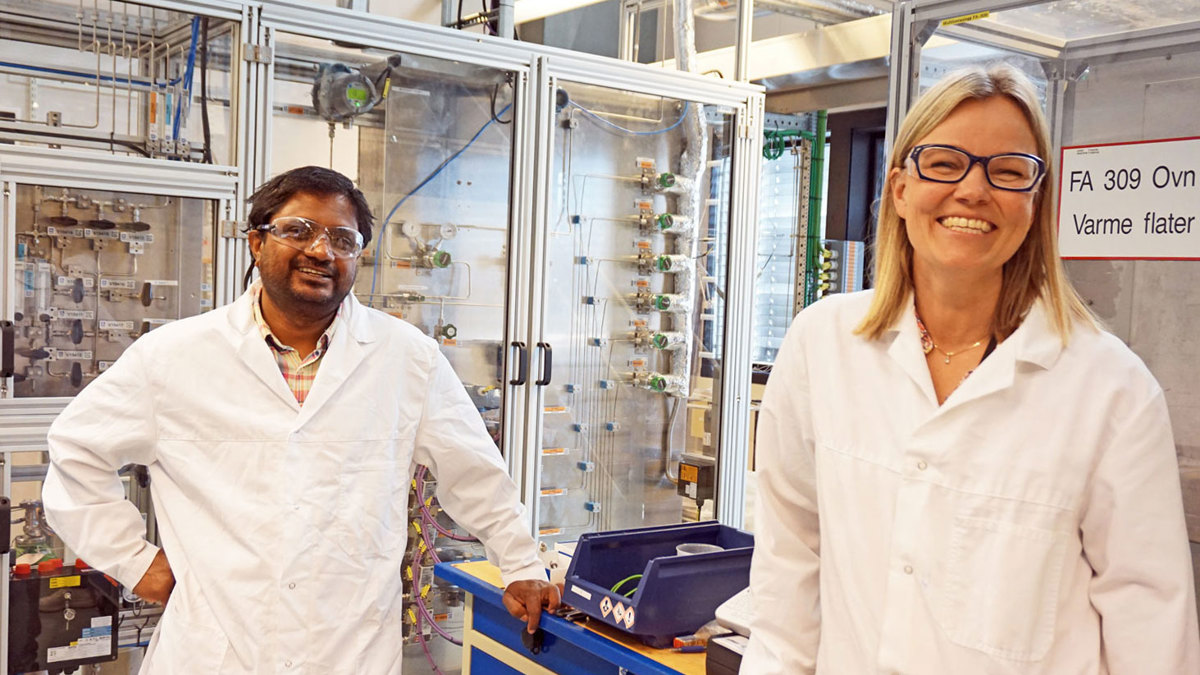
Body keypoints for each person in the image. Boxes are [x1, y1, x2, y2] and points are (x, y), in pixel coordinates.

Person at [742, 64, 1200, 674]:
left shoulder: (1110, 389)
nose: (973, 190)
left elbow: (1150, 624)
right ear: (900, 187)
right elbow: (787, 571)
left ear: (1035, 205)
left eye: (1008, 172)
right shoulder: (822, 345)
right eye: (944, 162)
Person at [42, 166, 559, 673]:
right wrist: (138, 563)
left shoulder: (407, 357)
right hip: (215, 651)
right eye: (298, 231)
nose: (320, 251)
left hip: (349, 651)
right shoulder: (173, 356)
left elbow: (474, 472)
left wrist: (520, 565)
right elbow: (76, 452)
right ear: (255, 243)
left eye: (343, 239)